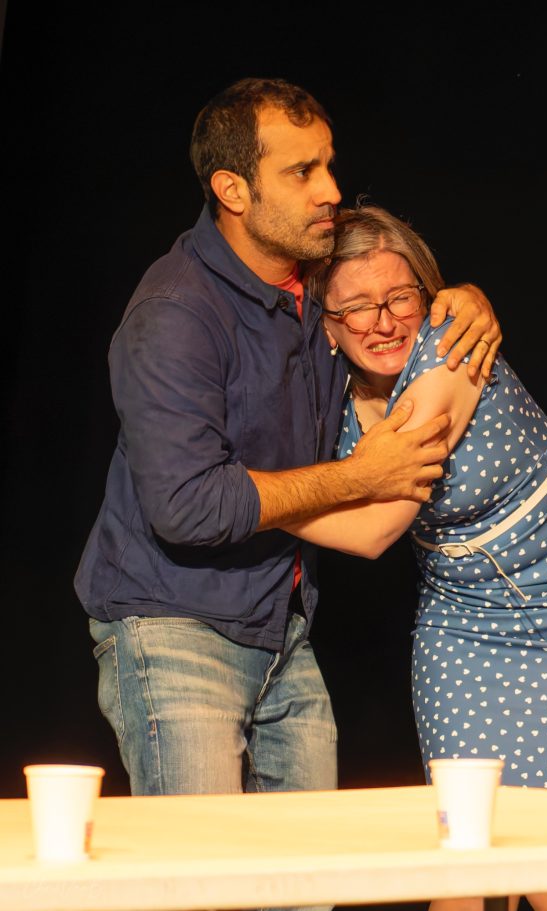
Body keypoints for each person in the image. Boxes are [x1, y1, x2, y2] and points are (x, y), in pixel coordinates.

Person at [74, 77, 502, 809]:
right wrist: (360, 476)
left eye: (327, 164)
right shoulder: (175, 314)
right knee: (204, 864)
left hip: (282, 631)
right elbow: (187, 507)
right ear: (233, 190)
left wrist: (461, 297)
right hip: (176, 630)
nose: (330, 189)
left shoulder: (314, 280)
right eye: (302, 172)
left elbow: (389, 289)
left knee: (308, 864)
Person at [286, 206, 547, 911]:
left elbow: (374, 528)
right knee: (462, 867)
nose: (383, 322)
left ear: (427, 298)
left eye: (399, 297)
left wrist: (242, 502)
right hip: (461, 626)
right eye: (356, 306)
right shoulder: (325, 399)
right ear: (327, 325)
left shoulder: (448, 351)